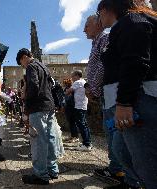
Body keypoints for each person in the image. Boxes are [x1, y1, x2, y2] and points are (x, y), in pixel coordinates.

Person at [97, 0, 157, 188]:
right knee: (120, 150)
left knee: (148, 164)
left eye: (98, 14)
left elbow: (135, 63)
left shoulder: (131, 22)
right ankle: (134, 182)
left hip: (139, 100)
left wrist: (124, 104)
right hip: (135, 99)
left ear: (106, 10)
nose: (99, 18)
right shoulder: (131, 22)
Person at [84, 14, 125, 182]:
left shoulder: (105, 38)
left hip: (112, 92)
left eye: (87, 25)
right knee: (110, 129)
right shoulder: (96, 42)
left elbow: (103, 65)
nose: (84, 29)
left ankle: (121, 170)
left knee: (116, 131)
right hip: (106, 93)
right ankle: (116, 167)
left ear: (98, 24)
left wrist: (93, 88)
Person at [16, 48, 60, 185]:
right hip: (49, 106)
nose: (22, 66)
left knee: (38, 140)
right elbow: (52, 85)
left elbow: (34, 86)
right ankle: (53, 170)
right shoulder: (43, 66)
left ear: (24, 57)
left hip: (38, 108)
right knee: (50, 138)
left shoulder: (31, 67)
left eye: (21, 63)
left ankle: (41, 174)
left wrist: (26, 102)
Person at [65, 70, 92, 151]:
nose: (72, 78)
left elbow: (67, 92)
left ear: (77, 75)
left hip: (79, 106)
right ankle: (88, 142)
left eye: (73, 76)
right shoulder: (84, 81)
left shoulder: (78, 82)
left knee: (81, 125)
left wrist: (67, 91)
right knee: (85, 125)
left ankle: (86, 144)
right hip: (83, 106)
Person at [62, 78, 79, 143]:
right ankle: (72, 136)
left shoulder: (71, 90)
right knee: (71, 123)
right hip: (67, 107)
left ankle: (75, 137)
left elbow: (69, 99)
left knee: (73, 123)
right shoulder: (66, 89)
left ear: (67, 83)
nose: (63, 84)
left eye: (64, 83)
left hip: (71, 108)